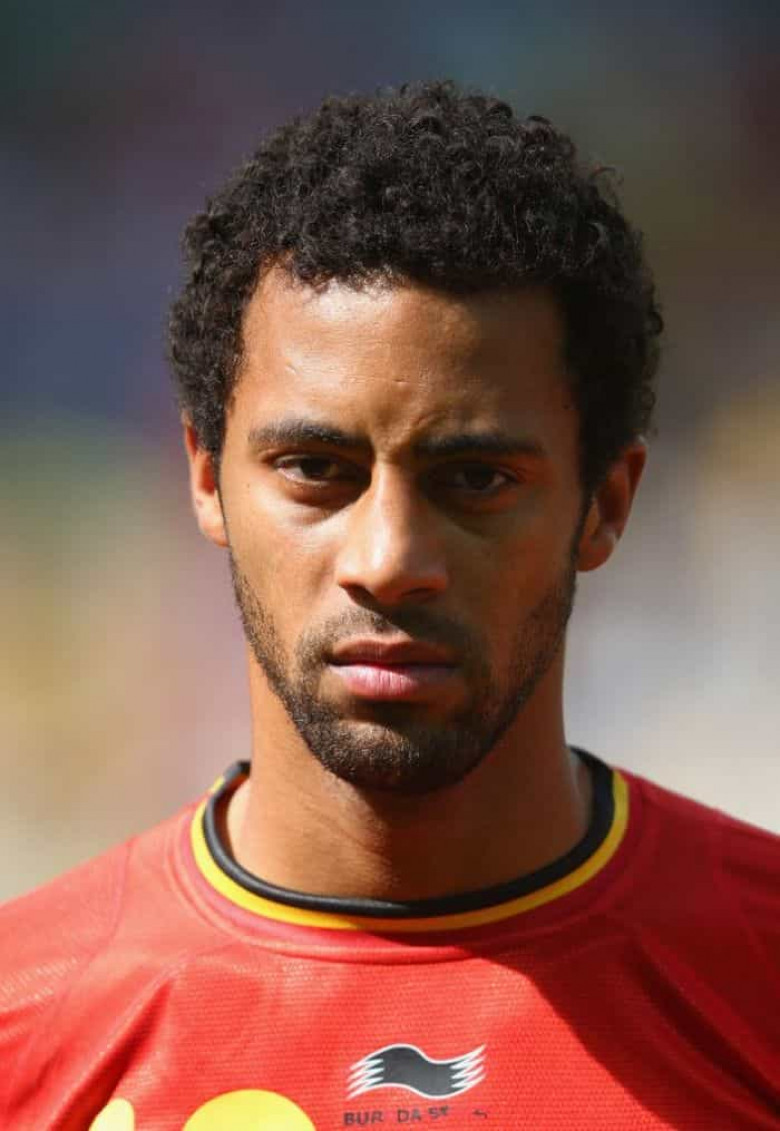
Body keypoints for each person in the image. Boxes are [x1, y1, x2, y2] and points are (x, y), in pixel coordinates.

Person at [1, 81, 777, 1131]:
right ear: (206, 476)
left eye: (475, 479)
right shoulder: (26, 1023)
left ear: (606, 502)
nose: (389, 560)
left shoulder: (757, 973)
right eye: (316, 469)